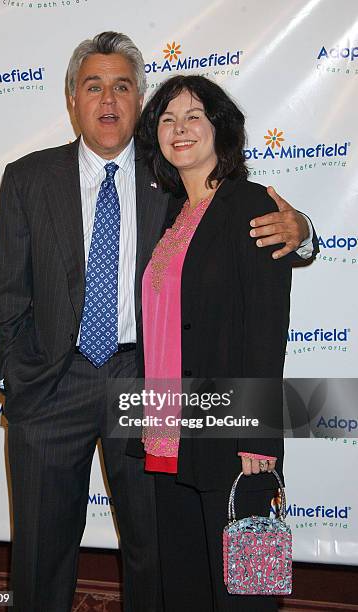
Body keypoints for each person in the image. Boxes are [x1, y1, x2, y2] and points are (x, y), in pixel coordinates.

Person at [0, 31, 315, 612]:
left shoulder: (170, 175)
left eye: (123, 87)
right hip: (51, 389)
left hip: (148, 389)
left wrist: (304, 232)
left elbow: (244, 220)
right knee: (39, 555)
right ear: (72, 99)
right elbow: (8, 294)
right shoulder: (27, 178)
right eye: (94, 86)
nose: (108, 99)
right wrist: (17, 376)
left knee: (158, 557)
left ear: (139, 102)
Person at [134, 74, 302, 611]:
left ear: (220, 129)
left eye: (193, 116)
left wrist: (259, 439)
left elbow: (266, 326)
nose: (179, 129)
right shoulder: (169, 214)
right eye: (166, 119)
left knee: (244, 596)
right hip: (167, 439)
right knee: (185, 591)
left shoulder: (249, 203)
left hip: (233, 443)